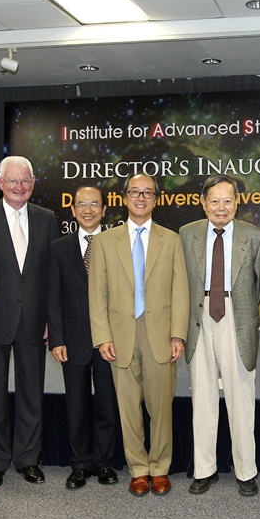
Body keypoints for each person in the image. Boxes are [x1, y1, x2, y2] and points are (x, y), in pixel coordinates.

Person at [88, 174, 189, 496]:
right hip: (120, 336)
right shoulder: (104, 241)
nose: (141, 198)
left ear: (157, 199)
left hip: (159, 334)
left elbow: (181, 291)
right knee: (128, 408)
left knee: (161, 408)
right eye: (135, 192)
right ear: (124, 198)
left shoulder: (171, 240)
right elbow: (97, 294)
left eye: (148, 193)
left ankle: (159, 468)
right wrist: (102, 336)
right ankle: (138, 469)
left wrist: (178, 334)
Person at [0, 155, 58, 489]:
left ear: (33, 184)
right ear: (0, 183)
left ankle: (28, 459)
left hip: (34, 319)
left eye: (25, 181)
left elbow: (50, 273)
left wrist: (51, 318)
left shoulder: (47, 218)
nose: (19, 187)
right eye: (13, 181)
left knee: (31, 392)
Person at [180, 175, 260, 497]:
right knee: (202, 398)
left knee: (241, 397)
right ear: (203, 203)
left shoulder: (255, 237)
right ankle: (205, 469)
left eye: (227, 200)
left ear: (237, 203)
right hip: (198, 318)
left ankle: (246, 471)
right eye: (214, 201)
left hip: (237, 318)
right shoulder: (186, 235)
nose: (221, 207)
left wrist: (239, 308)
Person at [47, 186, 120, 489]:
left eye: (94, 204)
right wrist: (57, 339)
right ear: (73, 210)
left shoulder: (117, 245)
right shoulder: (58, 248)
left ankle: (102, 462)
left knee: (106, 403)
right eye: (81, 205)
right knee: (75, 404)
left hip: (109, 340)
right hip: (72, 340)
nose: (88, 210)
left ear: (104, 209)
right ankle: (79, 464)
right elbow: (53, 296)